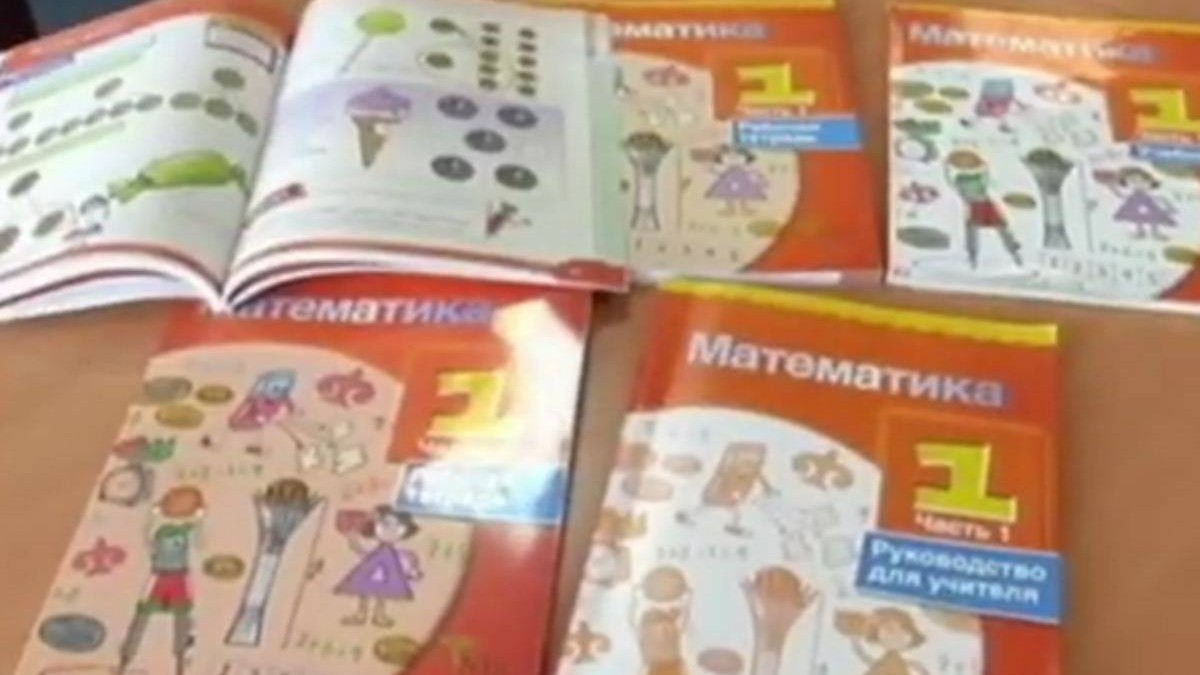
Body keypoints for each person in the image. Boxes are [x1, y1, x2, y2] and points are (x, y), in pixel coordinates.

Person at [334, 505, 423, 627]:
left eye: (397, 526)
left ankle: (378, 615)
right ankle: (361, 614)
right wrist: (352, 539)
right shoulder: (374, 547)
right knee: (364, 591)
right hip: (371, 569)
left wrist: (413, 569)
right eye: (385, 525)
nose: (391, 530)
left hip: (387, 571)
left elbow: (408, 558)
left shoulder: (395, 552)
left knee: (382, 594)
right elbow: (362, 550)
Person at [945, 150, 1022, 268]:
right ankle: (1012, 252)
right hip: (980, 204)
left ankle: (974, 256)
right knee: (995, 227)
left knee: (981, 229)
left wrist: (945, 169)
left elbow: (951, 182)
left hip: (981, 204)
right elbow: (985, 179)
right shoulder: (967, 179)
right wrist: (985, 167)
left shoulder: (963, 180)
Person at [850, 608, 930, 675]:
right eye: (888, 630)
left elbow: (864, 656)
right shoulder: (880, 664)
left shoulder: (906, 664)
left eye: (901, 632)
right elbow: (863, 655)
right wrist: (855, 635)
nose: (895, 636)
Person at [1111, 166, 1177, 241]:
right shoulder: (1132, 194)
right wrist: (1114, 190)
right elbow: (1122, 195)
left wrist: (1168, 206)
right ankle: (1140, 232)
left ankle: (1155, 232)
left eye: (1141, 181)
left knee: (1154, 217)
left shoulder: (1148, 193)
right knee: (1138, 218)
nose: (1137, 183)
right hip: (1135, 205)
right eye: (1132, 181)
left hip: (1148, 205)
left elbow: (1158, 197)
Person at [705, 145, 770, 216]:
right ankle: (730, 209)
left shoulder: (743, 163)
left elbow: (750, 169)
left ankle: (744, 209)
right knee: (728, 193)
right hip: (729, 179)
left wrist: (759, 176)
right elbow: (722, 171)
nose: (733, 156)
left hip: (742, 178)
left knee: (743, 193)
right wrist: (713, 170)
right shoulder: (727, 163)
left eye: (737, 154)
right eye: (729, 155)